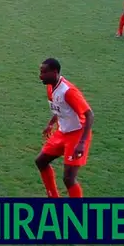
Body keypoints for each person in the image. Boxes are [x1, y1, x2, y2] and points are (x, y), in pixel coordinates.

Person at [35, 58, 94, 198]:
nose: (40, 75)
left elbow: (89, 115)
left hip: (77, 135)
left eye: (44, 72)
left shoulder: (69, 91)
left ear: (54, 72)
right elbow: (58, 109)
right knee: (41, 161)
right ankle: (53, 197)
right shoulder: (50, 87)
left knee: (68, 178)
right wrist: (51, 124)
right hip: (62, 132)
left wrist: (82, 143)